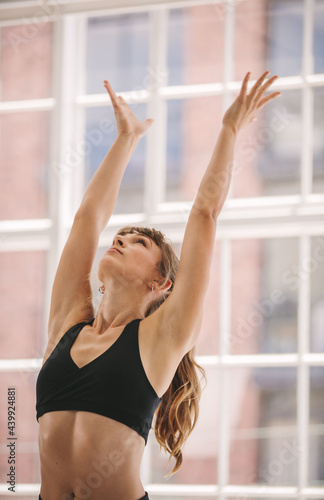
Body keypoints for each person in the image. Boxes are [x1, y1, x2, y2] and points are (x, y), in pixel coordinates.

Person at [35, 70, 280, 500]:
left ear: (161, 282)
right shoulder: (67, 324)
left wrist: (228, 129)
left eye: (139, 242)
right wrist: (126, 138)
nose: (121, 239)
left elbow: (204, 214)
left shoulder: (160, 339)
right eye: (121, 236)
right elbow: (87, 219)